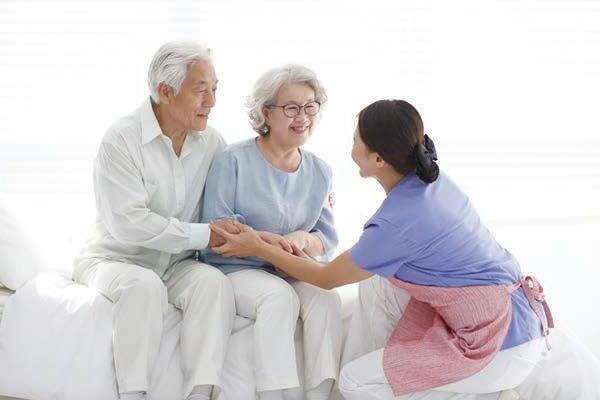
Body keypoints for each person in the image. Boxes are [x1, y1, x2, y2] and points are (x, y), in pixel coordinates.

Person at [209, 99, 556, 400]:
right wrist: (287, 249)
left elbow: (327, 278)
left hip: (499, 346)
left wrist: (258, 246)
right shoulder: (431, 182)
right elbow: (350, 266)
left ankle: (487, 394)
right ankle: (384, 370)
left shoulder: (396, 222)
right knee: (376, 284)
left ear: (377, 159)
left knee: (354, 382)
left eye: (355, 139)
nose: (351, 145)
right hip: (516, 319)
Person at [73, 41, 238, 400]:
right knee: (143, 286)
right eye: (200, 90)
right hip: (116, 259)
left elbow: (229, 200)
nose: (211, 101)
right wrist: (204, 235)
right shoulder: (122, 139)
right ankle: (134, 394)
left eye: (215, 88)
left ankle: (201, 393)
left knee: (213, 284)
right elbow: (129, 224)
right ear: (166, 92)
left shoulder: (212, 143)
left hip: (176, 263)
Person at [201, 64, 342, 400]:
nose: (303, 117)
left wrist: (301, 239)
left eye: (310, 107)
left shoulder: (320, 171)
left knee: (327, 298)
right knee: (278, 298)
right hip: (237, 269)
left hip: (291, 268)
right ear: (266, 112)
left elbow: (325, 237)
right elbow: (219, 230)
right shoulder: (232, 160)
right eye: (291, 108)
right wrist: (272, 243)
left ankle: (321, 394)